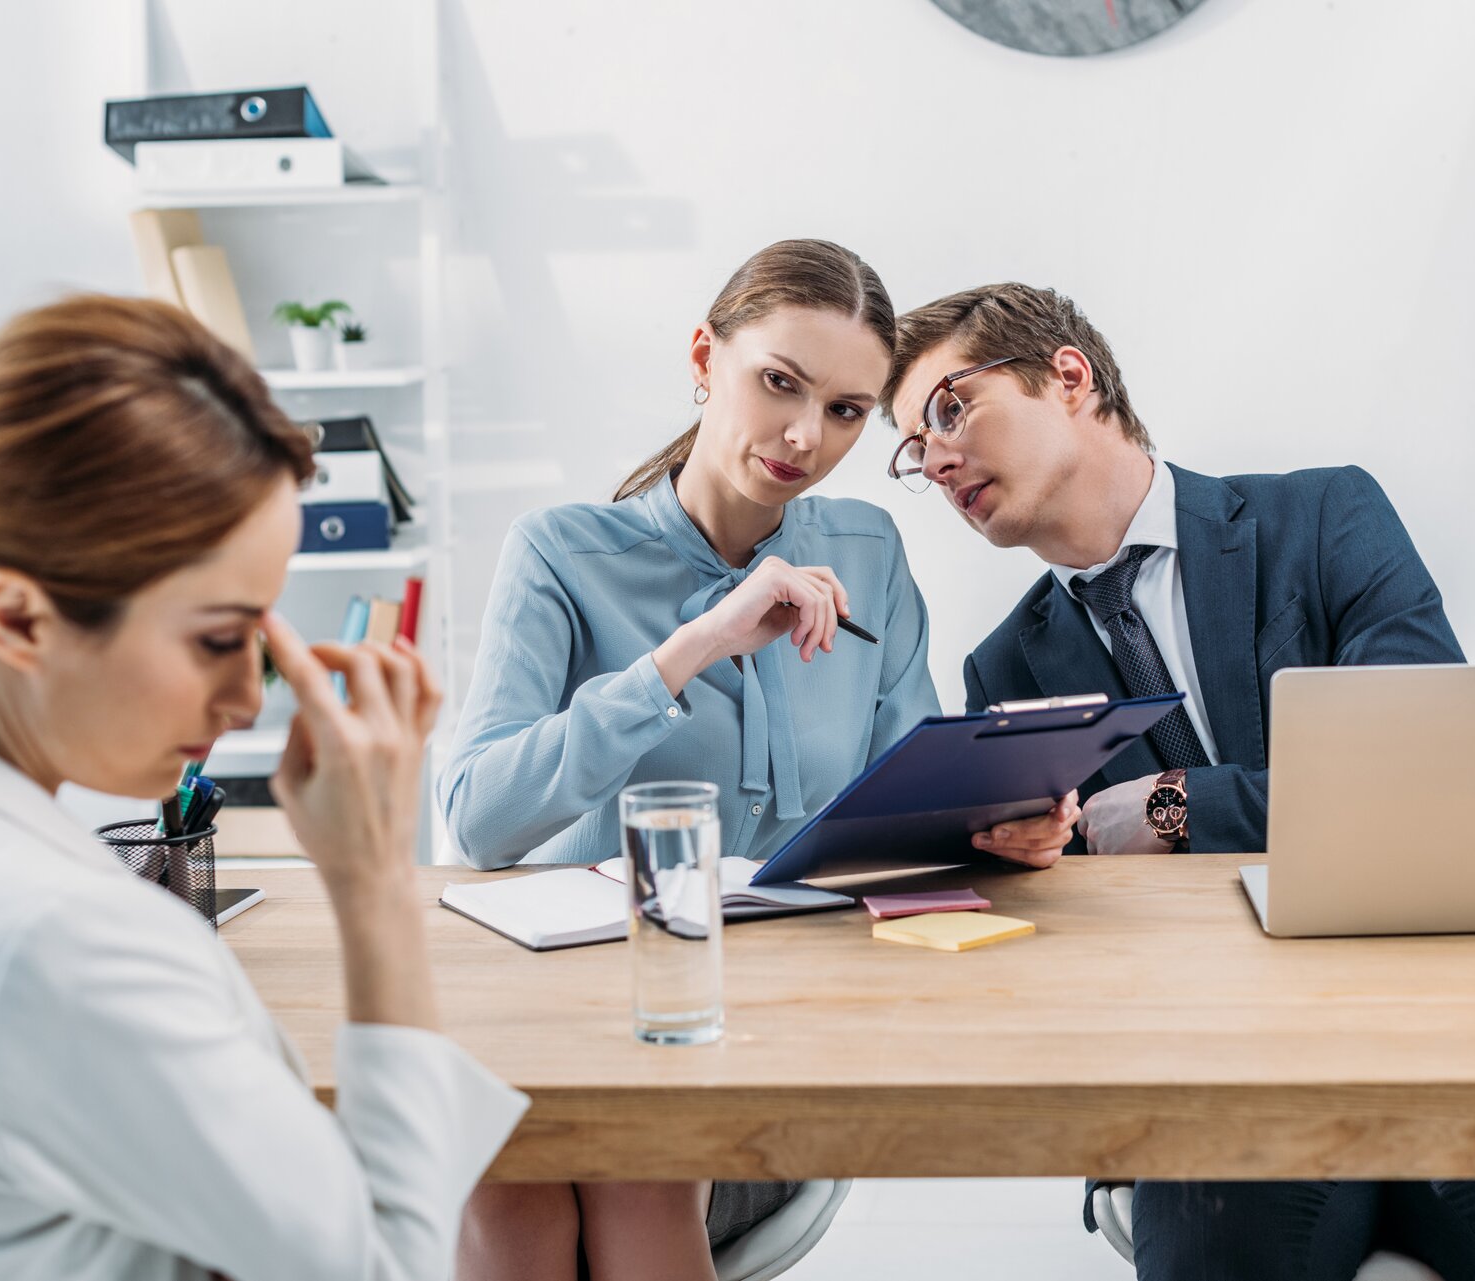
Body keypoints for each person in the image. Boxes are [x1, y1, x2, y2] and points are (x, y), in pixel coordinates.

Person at [879, 281, 1475, 1280]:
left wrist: (1174, 807)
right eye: (913, 447)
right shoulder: (1004, 670)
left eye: (950, 407)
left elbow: (1425, 773)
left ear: (1067, 378)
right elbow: (1062, 943)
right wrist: (1029, 864)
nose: (936, 458)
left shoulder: (1326, 515)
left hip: (1452, 1040)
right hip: (1215, 1072)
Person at [0, 295, 527, 1280]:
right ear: (18, 621)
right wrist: (376, 877)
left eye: (259, 639)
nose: (249, 700)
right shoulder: (54, 943)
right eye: (217, 639)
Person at [442, 241, 1077, 1280]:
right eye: (778, 383)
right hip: (576, 1019)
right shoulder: (560, 553)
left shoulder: (867, 550)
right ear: (705, 357)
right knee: (512, 1166)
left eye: (844, 412)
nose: (801, 437)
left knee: (628, 1155)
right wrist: (689, 651)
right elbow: (476, 821)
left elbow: (900, 814)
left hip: (767, 1039)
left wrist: (990, 826)